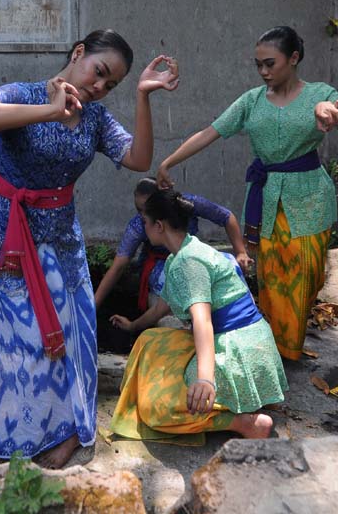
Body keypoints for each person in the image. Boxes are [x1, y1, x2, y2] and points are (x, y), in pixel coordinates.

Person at [0, 29, 179, 468]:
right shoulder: (25, 94)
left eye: (111, 83)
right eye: (100, 72)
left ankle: (69, 429)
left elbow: (137, 159)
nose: (100, 86)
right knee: (25, 342)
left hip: (61, 237)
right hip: (8, 235)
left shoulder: (94, 118)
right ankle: (22, 435)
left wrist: (143, 97)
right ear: (79, 54)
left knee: (73, 334)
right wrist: (47, 111)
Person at [157, 26, 338, 360]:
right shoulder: (250, 101)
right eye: (259, 66)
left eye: (271, 63)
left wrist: (334, 113)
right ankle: (280, 351)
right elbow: (210, 132)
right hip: (267, 199)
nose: (264, 72)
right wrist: (169, 162)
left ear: (294, 59)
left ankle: (284, 343)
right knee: (272, 278)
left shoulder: (320, 94)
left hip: (309, 198)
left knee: (307, 276)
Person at [109, 189, 288, 444]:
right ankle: (235, 401)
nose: (142, 226)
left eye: (145, 221)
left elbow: (202, 320)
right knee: (149, 339)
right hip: (233, 338)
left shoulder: (189, 262)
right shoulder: (182, 254)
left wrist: (205, 379)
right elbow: (162, 308)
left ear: (159, 226)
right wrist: (133, 326)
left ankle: (243, 422)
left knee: (157, 409)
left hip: (238, 347)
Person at [95, 176, 252, 327]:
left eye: (146, 211)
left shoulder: (183, 207)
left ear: (159, 223)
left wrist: (241, 252)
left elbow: (202, 324)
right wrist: (93, 309)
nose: (142, 216)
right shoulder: (171, 260)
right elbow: (118, 268)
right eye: (139, 211)